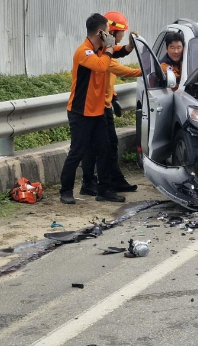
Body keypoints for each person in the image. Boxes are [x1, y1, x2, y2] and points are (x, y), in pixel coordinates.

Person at [60, 13, 126, 204]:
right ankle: (66, 191)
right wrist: (111, 48)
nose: (110, 35)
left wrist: (129, 47)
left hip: (97, 111)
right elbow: (101, 66)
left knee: (104, 149)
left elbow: (116, 52)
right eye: (107, 31)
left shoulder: (99, 50)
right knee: (77, 151)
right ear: (100, 32)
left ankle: (104, 190)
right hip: (80, 112)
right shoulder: (84, 52)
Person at [80, 11, 143, 196]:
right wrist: (146, 71)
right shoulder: (102, 54)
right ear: (112, 32)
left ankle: (110, 180)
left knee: (107, 145)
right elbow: (119, 68)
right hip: (96, 107)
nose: (122, 36)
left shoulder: (108, 52)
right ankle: (95, 183)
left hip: (105, 104)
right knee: (99, 147)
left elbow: (119, 55)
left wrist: (113, 97)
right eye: (120, 32)